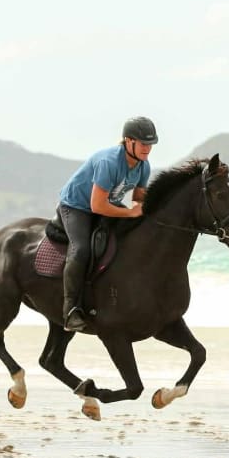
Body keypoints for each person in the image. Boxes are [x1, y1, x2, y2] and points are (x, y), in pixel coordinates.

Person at [56, 116, 158, 331]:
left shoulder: (143, 165)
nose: (147, 148)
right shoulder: (108, 162)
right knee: (81, 249)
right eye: (143, 143)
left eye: (150, 144)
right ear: (128, 141)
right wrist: (130, 213)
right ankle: (70, 311)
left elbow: (138, 195)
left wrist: (148, 206)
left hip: (108, 204)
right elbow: (97, 206)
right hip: (77, 207)